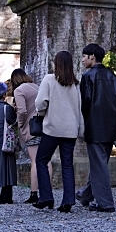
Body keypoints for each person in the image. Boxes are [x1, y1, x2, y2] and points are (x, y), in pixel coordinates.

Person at [32, 52, 84, 212]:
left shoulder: (49, 79)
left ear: (56, 63)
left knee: (41, 160)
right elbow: (80, 108)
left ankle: (46, 197)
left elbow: (40, 103)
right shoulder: (75, 84)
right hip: (70, 129)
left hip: (52, 128)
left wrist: (41, 113)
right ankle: (68, 200)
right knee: (67, 164)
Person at [76, 43, 116, 213]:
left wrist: (80, 124)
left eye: (84, 56)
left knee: (99, 165)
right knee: (100, 163)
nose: (82, 59)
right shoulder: (114, 77)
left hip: (94, 127)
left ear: (92, 57)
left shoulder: (88, 77)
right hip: (110, 128)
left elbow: (85, 104)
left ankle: (105, 203)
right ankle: (86, 195)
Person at [11, 68, 50, 203]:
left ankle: (34, 193)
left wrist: (20, 124)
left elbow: (22, 111)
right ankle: (47, 191)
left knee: (34, 161)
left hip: (32, 128)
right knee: (46, 160)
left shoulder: (19, 90)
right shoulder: (36, 86)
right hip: (45, 126)